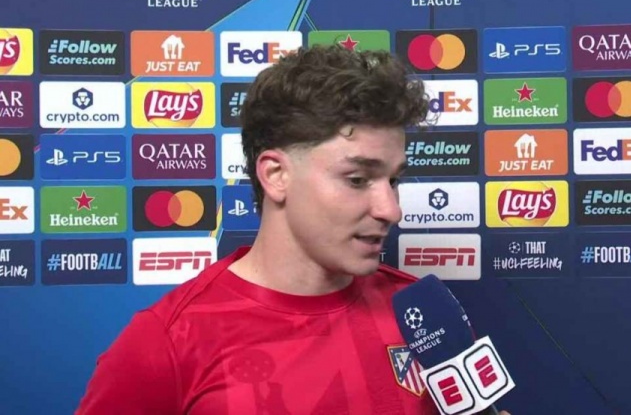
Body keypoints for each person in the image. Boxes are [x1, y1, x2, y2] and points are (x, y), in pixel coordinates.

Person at [75, 43, 483, 414]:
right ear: (275, 175)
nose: (391, 209)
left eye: (393, 180)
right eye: (358, 179)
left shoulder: (421, 314)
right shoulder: (168, 341)